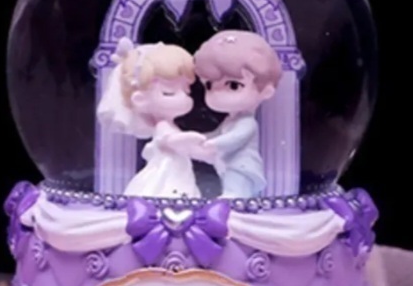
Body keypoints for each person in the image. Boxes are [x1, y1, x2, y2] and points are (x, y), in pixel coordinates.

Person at [97, 37, 212, 198]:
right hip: (166, 171)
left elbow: (183, 146)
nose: (184, 98)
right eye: (169, 93)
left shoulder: (169, 125)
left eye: (187, 90)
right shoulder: (163, 126)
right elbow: (168, 141)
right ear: (140, 100)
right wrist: (190, 139)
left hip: (177, 167)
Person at [193, 30, 282, 198]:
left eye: (234, 86)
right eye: (209, 85)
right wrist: (200, 138)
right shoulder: (231, 119)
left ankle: (235, 202)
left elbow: (234, 138)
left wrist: (211, 145)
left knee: (236, 191)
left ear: (266, 91)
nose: (217, 95)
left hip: (243, 166)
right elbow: (217, 133)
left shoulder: (247, 123)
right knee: (230, 188)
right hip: (228, 164)